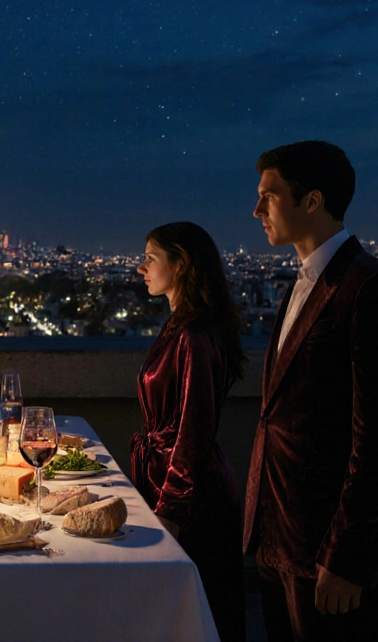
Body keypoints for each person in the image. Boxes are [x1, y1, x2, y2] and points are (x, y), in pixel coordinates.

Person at [244, 141, 378, 641]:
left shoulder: (371, 290)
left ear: (313, 201)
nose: (256, 209)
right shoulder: (304, 283)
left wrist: (348, 556)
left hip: (325, 546)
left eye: (269, 196)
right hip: (280, 535)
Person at [131, 221, 247, 642]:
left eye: (151, 258)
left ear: (180, 265)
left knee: (195, 614)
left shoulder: (194, 332)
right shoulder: (182, 325)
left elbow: (193, 429)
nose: (141, 267)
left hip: (190, 495)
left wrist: (173, 509)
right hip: (172, 481)